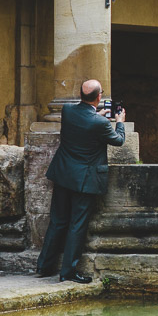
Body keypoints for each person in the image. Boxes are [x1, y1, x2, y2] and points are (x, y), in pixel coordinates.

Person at [36, 80, 126, 284]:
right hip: (84, 179)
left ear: (81, 95)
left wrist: (97, 115)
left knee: (58, 221)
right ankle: (67, 271)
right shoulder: (100, 123)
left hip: (63, 174)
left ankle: (44, 266)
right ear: (98, 97)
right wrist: (119, 121)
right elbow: (118, 141)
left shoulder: (68, 111)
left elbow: (83, 120)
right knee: (77, 225)